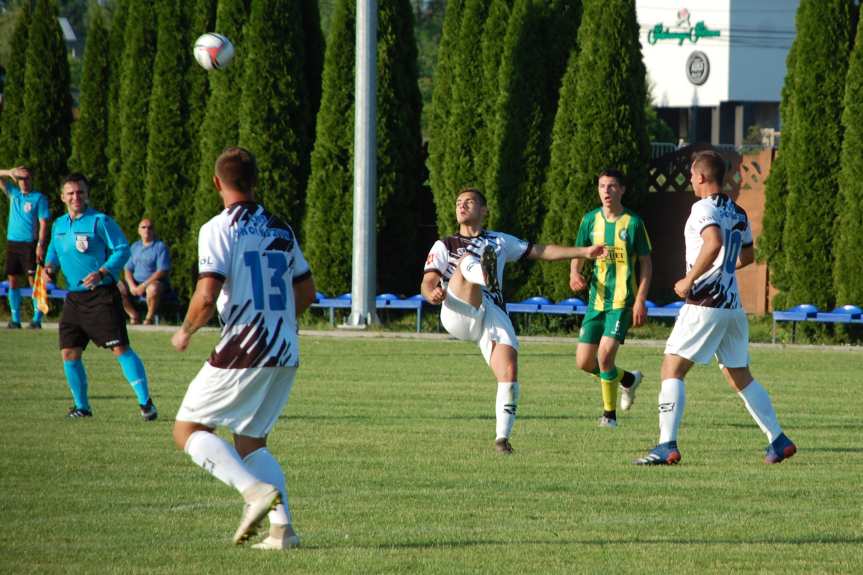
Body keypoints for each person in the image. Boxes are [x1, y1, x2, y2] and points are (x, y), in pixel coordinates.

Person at [171, 147, 315, 550]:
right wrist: (279, 319)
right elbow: (306, 290)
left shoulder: (218, 227)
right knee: (251, 440)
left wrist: (184, 331)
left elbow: (205, 293)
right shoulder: (281, 228)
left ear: (217, 182)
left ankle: (253, 492)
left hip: (244, 345)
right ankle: (282, 530)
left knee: (187, 429)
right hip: (284, 348)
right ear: (255, 181)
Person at [635, 150, 796, 465]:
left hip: (704, 304)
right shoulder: (738, 211)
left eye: (692, 175)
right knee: (740, 376)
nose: (690, 181)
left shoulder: (702, 208)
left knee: (672, 368)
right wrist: (722, 271)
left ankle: (666, 445)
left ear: (702, 177)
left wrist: (689, 279)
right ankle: (778, 439)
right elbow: (747, 256)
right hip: (732, 307)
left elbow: (713, 242)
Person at [422, 187, 606, 454]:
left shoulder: (500, 241)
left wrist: (584, 251)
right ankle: (484, 276)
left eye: (469, 202)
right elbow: (427, 282)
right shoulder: (445, 245)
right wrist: (432, 293)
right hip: (458, 309)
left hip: (491, 312)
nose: (462, 206)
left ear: (484, 210)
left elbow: (540, 250)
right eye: (459, 202)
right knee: (465, 261)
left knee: (508, 372)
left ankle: (502, 439)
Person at [41, 173, 157, 421]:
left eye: (80, 192)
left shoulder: (100, 221)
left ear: (87, 194)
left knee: (120, 349)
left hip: (102, 296)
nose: (76, 197)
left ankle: (146, 403)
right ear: (62, 197)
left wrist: (103, 271)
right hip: (74, 298)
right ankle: (82, 407)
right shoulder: (59, 225)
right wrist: (48, 270)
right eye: (70, 193)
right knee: (69, 353)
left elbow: (122, 249)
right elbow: (53, 253)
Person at [571, 169, 652, 428]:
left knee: (605, 356)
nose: (606, 191)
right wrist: (574, 273)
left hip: (622, 302)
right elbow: (580, 252)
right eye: (602, 186)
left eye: (612, 186)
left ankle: (609, 416)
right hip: (596, 301)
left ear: (622, 190)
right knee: (584, 361)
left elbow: (646, 264)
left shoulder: (634, 223)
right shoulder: (589, 220)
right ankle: (627, 380)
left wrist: (640, 299)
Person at [1, 166, 51, 329]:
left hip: (30, 244)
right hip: (12, 243)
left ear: (32, 179)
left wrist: (40, 245)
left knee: (34, 281)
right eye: (21, 178)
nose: (24, 182)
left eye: (27, 178)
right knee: (13, 280)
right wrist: (10, 172)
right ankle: (15, 319)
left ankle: (37, 319)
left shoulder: (39, 198)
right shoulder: (14, 193)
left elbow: (43, 223)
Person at [117, 218, 171, 325]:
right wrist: (132, 285)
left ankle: (149, 318)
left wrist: (144, 285)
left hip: (155, 284)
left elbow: (162, 271)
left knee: (153, 289)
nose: (147, 230)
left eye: (150, 227)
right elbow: (127, 268)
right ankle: (134, 315)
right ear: (139, 230)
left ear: (154, 231)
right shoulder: (135, 247)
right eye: (144, 227)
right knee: (116, 287)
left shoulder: (160, 247)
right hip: (135, 284)